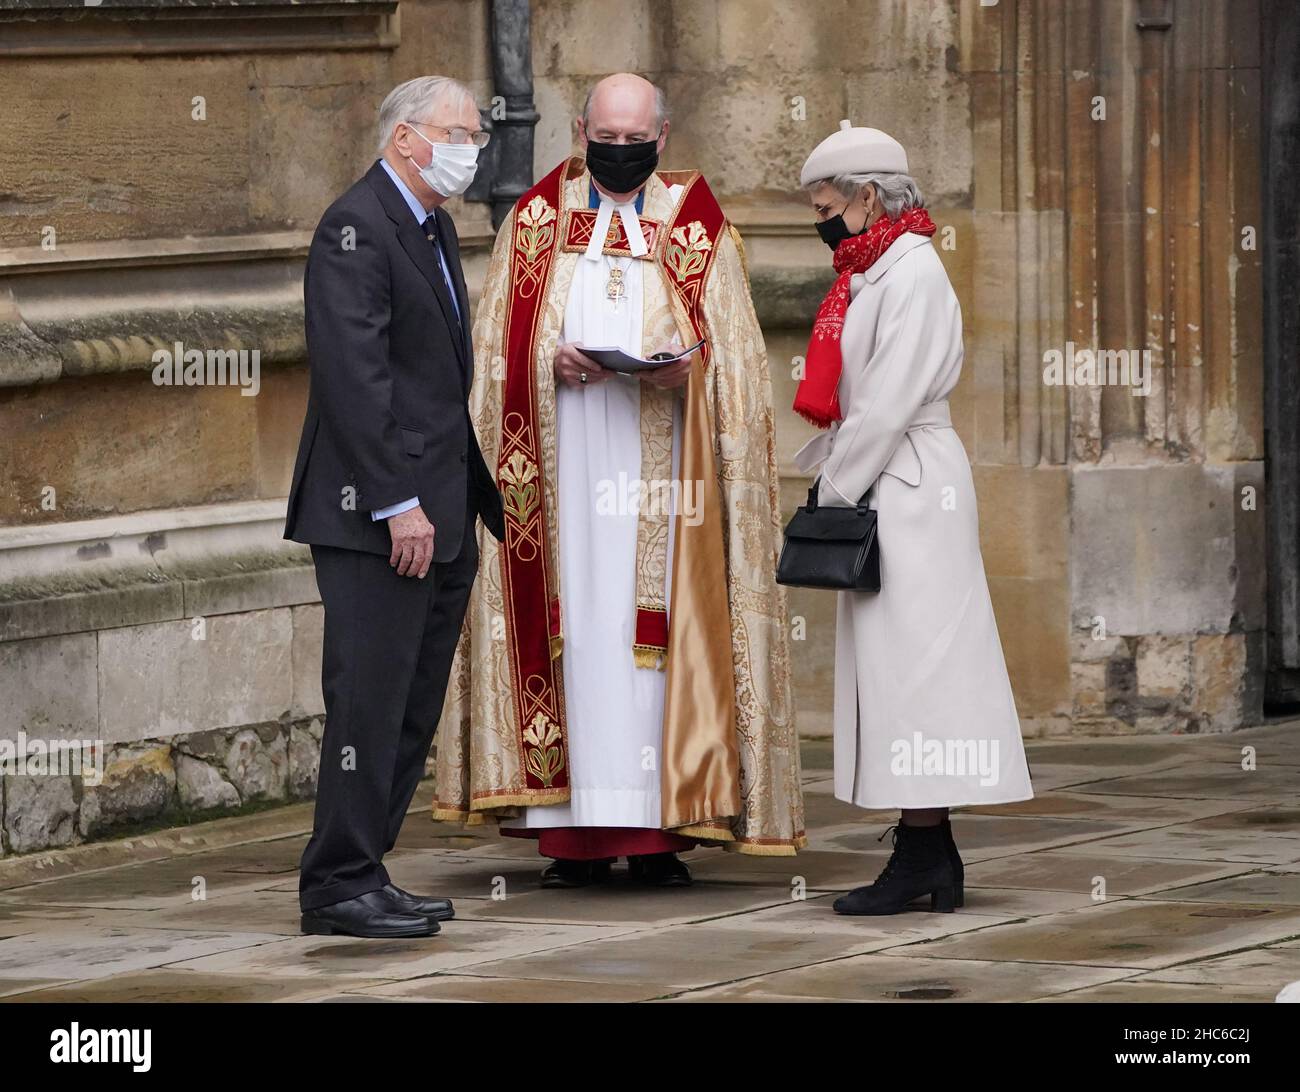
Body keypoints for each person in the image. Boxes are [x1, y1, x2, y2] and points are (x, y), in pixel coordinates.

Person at [430, 73, 804, 885]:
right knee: (577, 640)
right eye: (608, 136)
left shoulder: (699, 229)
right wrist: (546, 359)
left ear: (662, 138)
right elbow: (491, 358)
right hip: (558, 486)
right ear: (580, 128)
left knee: (652, 648)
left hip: (665, 489)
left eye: (637, 142)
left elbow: (736, 364)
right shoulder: (532, 225)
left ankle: (659, 833)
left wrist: (689, 374)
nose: (620, 151)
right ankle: (574, 841)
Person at [793, 121, 1033, 915]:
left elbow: (889, 403)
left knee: (919, 675)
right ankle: (928, 849)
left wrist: (830, 493)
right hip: (889, 481)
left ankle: (924, 851)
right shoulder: (874, 269)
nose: (821, 219)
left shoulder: (912, 273)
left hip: (912, 488)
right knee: (898, 676)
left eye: (827, 204)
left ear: (868, 197)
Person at [284, 76, 505, 937]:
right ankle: (335, 883)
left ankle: (363, 867)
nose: (472, 150)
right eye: (461, 133)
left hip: (440, 512)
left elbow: (435, 380)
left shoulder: (429, 225)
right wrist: (399, 503)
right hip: (378, 517)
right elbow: (355, 379)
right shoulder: (354, 225)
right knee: (368, 702)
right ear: (408, 137)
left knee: (411, 705)